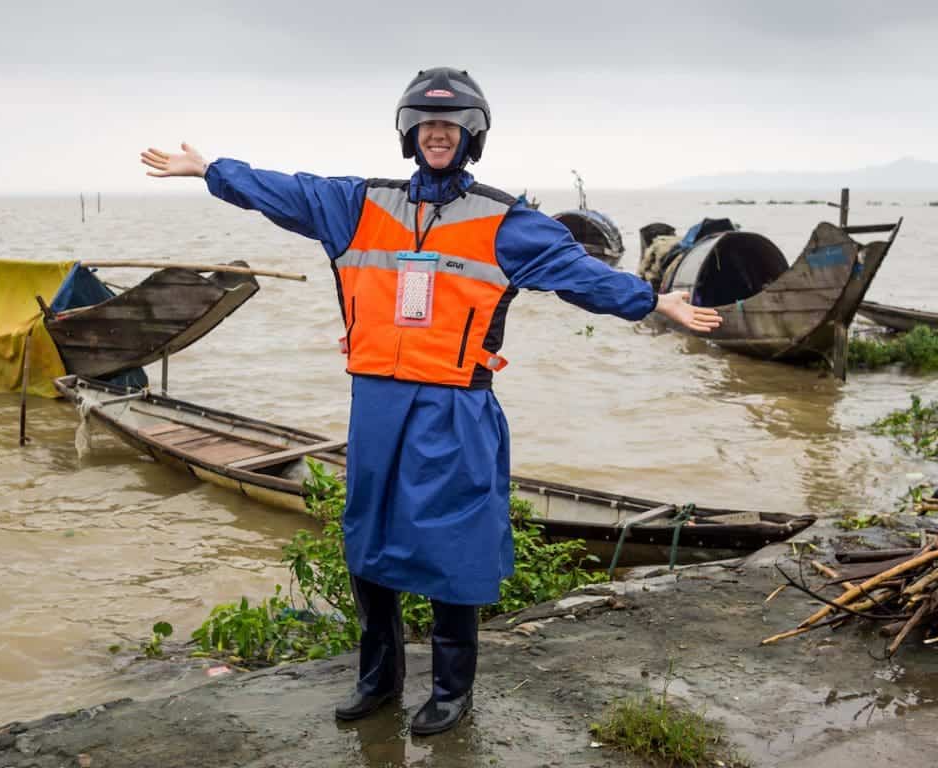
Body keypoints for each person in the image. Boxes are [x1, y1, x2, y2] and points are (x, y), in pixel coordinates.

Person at [140, 67, 721, 737]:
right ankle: (378, 679)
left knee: (454, 542)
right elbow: (284, 190)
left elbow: (577, 274)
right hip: (377, 401)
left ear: (471, 135)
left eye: (449, 125)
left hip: (455, 405)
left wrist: (652, 300)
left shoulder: (504, 221)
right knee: (367, 539)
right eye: (426, 124)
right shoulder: (358, 205)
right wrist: (210, 168)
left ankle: (452, 690)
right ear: (409, 134)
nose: (436, 133)